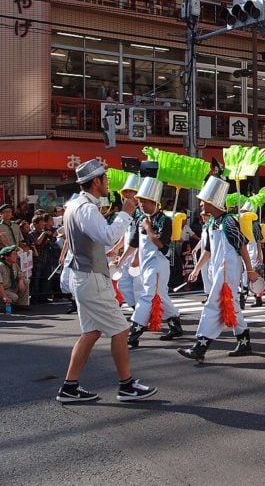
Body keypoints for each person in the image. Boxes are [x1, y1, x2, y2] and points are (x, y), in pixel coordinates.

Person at [56, 159, 157, 403]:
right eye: (105, 179)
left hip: (83, 275)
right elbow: (109, 237)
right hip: (91, 277)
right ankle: (126, 385)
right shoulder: (87, 208)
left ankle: (69, 387)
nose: (108, 183)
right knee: (121, 330)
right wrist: (125, 213)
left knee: (90, 332)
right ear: (96, 182)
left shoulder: (75, 205)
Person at [181, 176, 258, 362]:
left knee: (213, 305)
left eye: (203, 201)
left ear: (213, 202)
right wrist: (197, 269)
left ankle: (201, 345)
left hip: (229, 270)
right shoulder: (210, 223)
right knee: (230, 304)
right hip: (217, 270)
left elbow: (242, 246)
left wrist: (250, 270)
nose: (200, 204)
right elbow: (208, 250)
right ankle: (244, 340)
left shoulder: (229, 221)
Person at [126, 177, 183, 347]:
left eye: (144, 201)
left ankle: (134, 332)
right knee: (161, 296)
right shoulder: (141, 218)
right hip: (145, 263)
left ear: (154, 202)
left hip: (158, 264)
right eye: (140, 201)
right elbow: (135, 243)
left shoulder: (165, 220)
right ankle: (175, 325)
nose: (141, 204)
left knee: (147, 296)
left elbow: (160, 243)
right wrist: (121, 255)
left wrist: (148, 228)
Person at [110, 175, 143, 311]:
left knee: (138, 286)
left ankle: (142, 314)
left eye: (131, 192)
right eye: (126, 192)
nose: (128, 195)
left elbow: (140, 238)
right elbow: (126, 234)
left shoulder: (142, 213)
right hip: (127, 252)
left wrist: (136, 256)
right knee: (123, 284)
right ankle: (137, 309)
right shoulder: (127, 212)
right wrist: (116, 248)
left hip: (138, 254)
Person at [0, 245, 30, 311]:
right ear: (6, 257)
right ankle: (2, 305)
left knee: (26, 282)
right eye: (14, 254)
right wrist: (4, 297)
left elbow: (20, 273)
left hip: (10, 288)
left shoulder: (14, 264)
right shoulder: (1, 266)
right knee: (14, 297)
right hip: (2, 290)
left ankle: (21, 304)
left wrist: (20, 280)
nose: (17, 256)